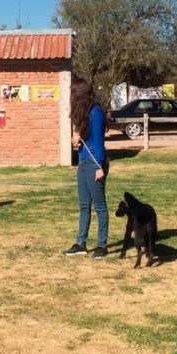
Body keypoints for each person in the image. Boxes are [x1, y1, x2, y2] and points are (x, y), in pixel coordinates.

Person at [63, 78, 110, 258]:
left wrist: (100, 167)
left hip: (95, 164)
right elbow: (85, 139)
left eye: (72, 93)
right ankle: (80, 243)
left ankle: (102, 245)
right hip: (83, 163)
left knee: (99, 206)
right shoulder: (83, 113)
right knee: (84, 206)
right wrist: (77, 139)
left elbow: (98, 143)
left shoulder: (96, 112)